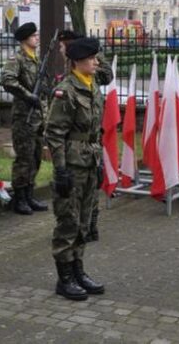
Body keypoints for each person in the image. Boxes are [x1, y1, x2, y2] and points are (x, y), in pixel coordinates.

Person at [45, 37, 105, 301]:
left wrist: (99, 163)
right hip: (71, 164)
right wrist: (60, 171)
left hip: (89, 162)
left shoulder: (92, 86)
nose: (96, 62)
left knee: (84, 221)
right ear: (78, 61)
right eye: (92, 58)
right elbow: (54, 133)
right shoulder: (65, 90)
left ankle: (79, 270)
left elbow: (96, 131)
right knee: (68, 222)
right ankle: (64, 278)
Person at [57, 29, 113, 241]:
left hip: (90, 140)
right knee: (77, 195)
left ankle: (90, 226)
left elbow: (107, 74)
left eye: (63, 46)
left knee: (91, 188)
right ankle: (81, 229)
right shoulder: (69, 80)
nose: (61, 50)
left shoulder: (88, 62)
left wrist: (92, 65)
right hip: (75, 147)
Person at [0, 22, 49, 215]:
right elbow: (7, 80)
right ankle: (19, 198)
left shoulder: (36, 59)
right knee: (24, 158)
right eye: (34, 35)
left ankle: (29, 194)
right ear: (25, 39)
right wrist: (28, 96)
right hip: (24, 118)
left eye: (37, 35)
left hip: (38, 117)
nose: (37, 38)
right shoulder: (17, 59)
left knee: (36, 157)